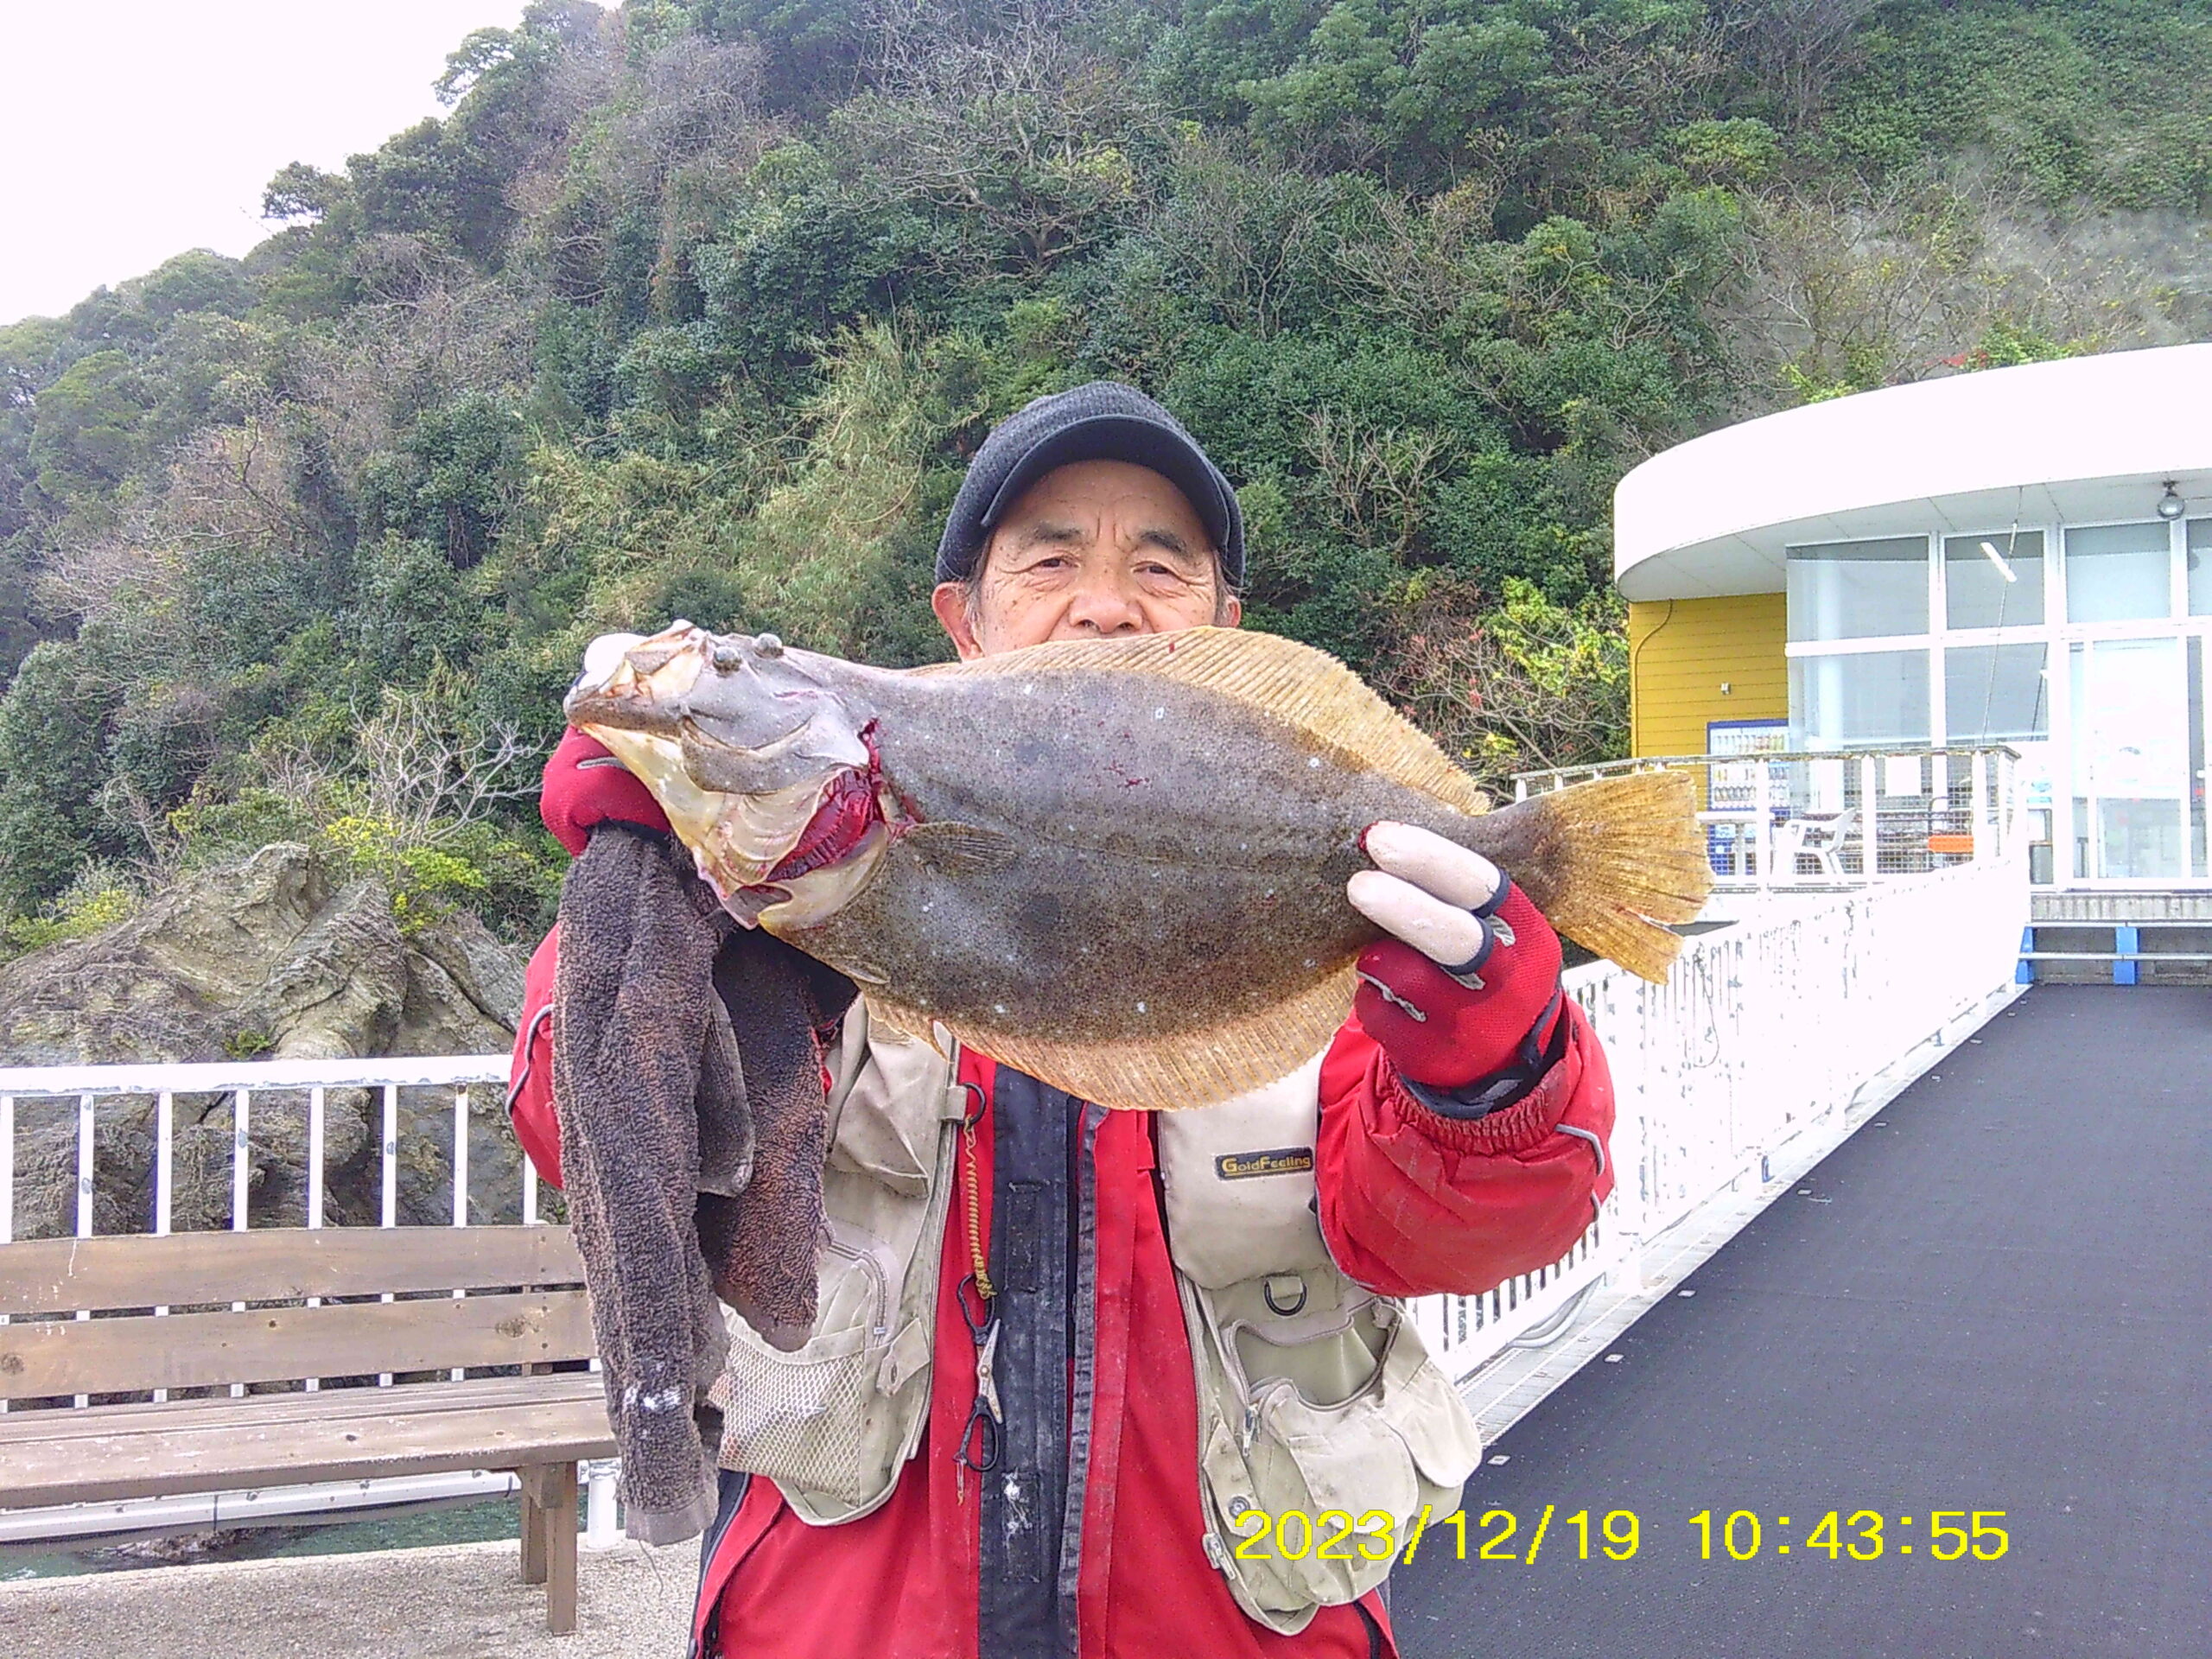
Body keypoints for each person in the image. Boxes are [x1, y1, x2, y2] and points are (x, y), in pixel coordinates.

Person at [506, 383, 1616, 1659]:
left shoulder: (1346, 977)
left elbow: (1473, 1235)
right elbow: (584, 1139)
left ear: (1224, 626)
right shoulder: (795, 899)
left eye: (1160, 565)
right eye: (1050, 560)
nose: (1105, 604)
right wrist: (648, 902)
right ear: (962, 620)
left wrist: (1491, 1065)